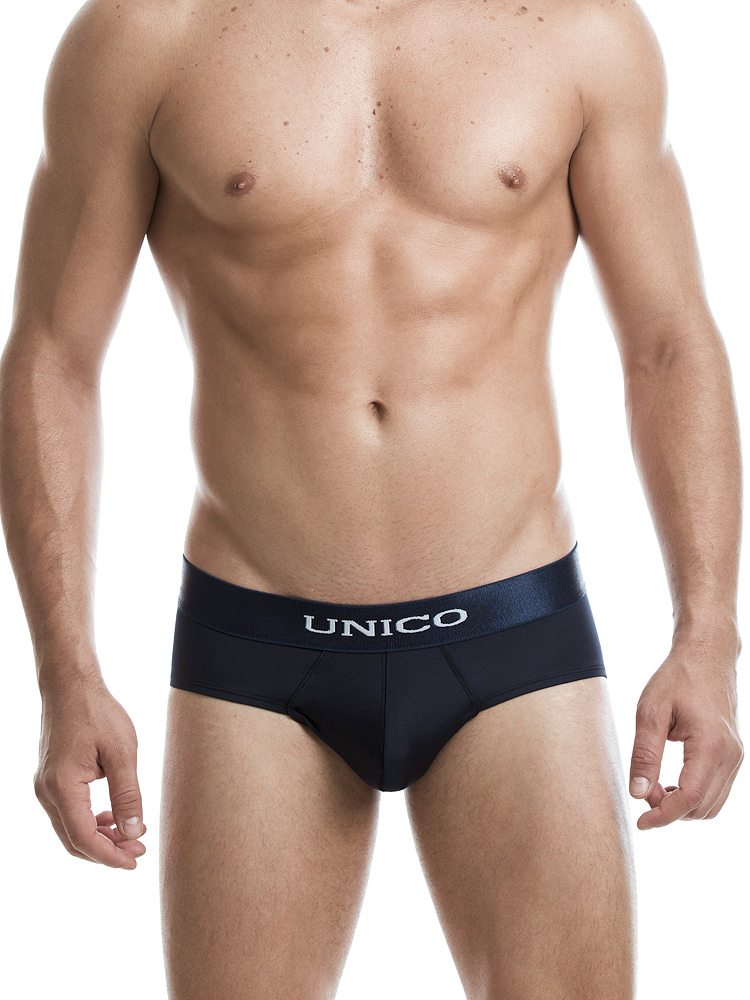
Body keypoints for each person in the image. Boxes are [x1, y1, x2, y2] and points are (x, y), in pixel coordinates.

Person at [0, 0, 743, 997]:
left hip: (512, 631)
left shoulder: (578, 30)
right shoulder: (146, 33)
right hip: (257, 643)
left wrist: (709, 635)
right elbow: (53, 355)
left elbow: (668, 343)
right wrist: (65, 673)